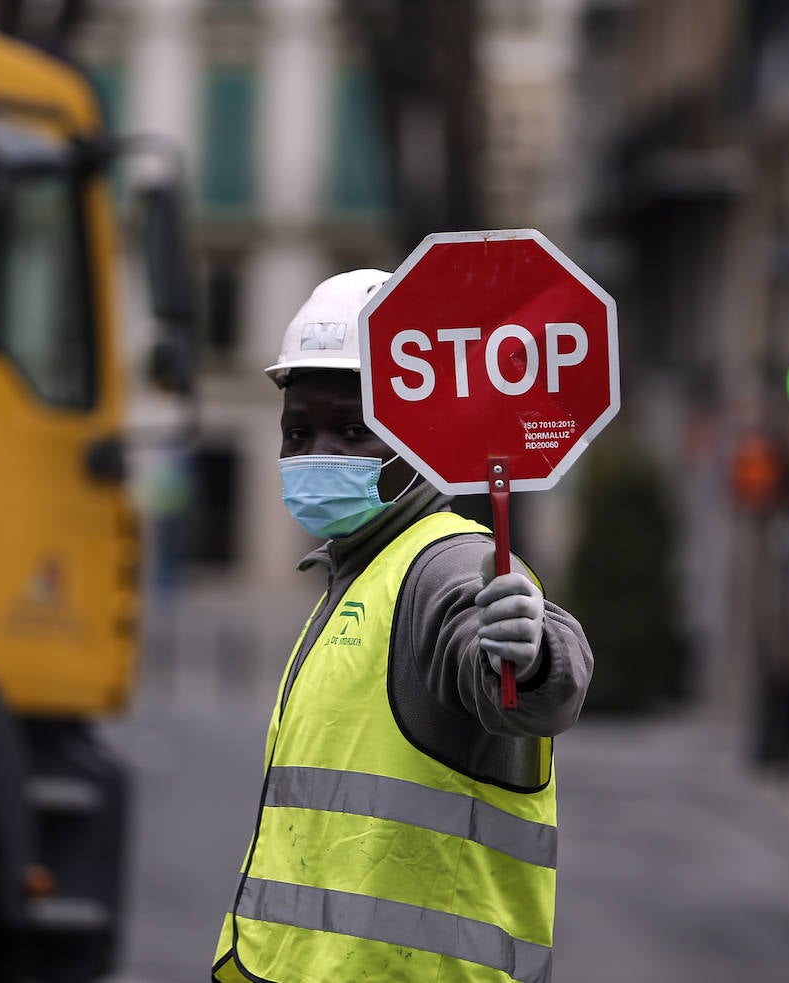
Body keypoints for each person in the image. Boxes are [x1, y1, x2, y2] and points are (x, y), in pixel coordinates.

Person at [211, 270, 594, 983]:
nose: (317, 451)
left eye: (353, 429)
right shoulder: (356, 571)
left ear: (424, 438)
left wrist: (532, 654)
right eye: (299, 431)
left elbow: (532, 681)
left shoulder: (448, 562)